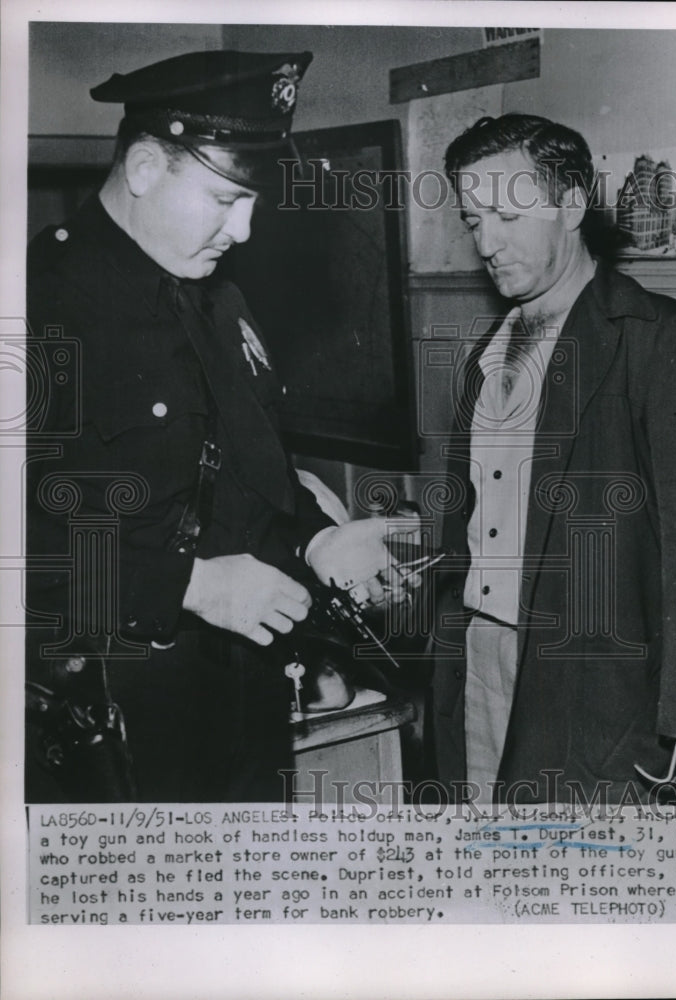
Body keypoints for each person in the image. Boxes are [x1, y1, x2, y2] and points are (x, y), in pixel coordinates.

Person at [25, 50, 417, 803]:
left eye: (251, 202)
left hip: (244, 698)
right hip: (110, 722)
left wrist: (314, 537)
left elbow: (250, 469)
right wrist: (189, 586)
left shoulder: (219, 301)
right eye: (222, 198)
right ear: (144, 166)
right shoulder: (41, 306)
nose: (241, 229)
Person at [429, 113, 676, 804]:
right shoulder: (488, 349)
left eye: (507, 215)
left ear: (570, 204)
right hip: (482, 660)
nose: (486, 242)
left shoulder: (659, 338)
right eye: (472, 218)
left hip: (597, 685)